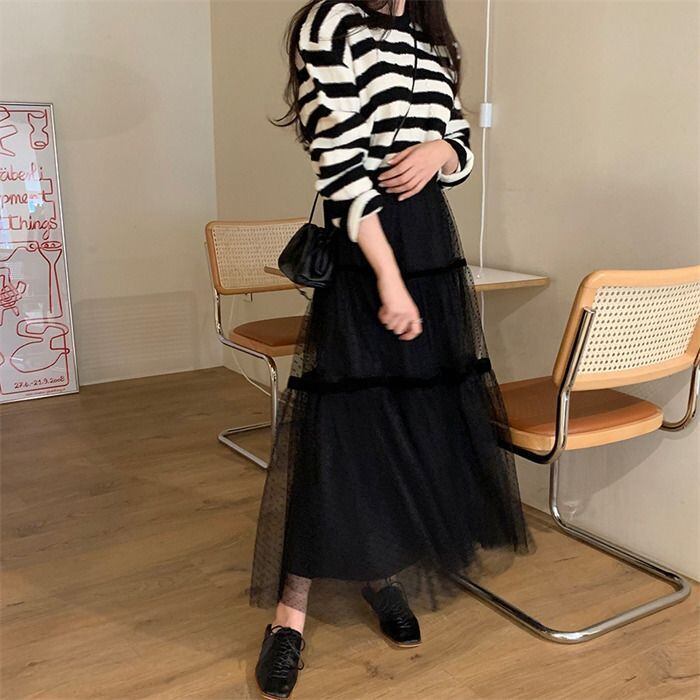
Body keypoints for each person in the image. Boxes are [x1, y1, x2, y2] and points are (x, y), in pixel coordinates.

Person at [250, 1, 536, 697]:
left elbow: (458, 142)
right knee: (340, 430)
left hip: (432, 247)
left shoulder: (430, 36)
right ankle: (289, 618)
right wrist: (386, 278)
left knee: (412, 423)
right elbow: (340, 169)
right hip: (367, 249)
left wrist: (444, 151)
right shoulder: (330, 24)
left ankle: (381, 573)